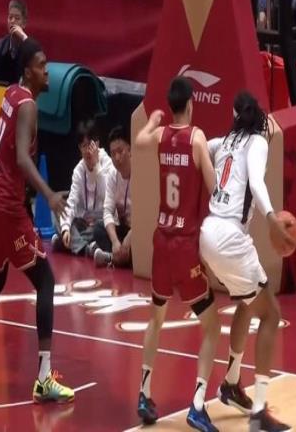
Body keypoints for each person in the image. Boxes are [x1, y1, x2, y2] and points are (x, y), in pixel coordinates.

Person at [0, 38, 74, 403]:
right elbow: (22, 158)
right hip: (6, 208)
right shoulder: (28, 108)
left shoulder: (11, 92)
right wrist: (49, 194)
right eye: (41, 65)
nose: (47, 70)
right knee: (46, 280)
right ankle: (44, 379)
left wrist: (22, 38)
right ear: (27, 71)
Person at [200, 91, 294, 432]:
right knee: (271, 315)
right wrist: (270, 218)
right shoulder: (257, 142)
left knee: (246, 301)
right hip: (229, 238)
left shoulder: (223, 142)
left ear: (234, 115)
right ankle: (259, 410)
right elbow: (256, 181)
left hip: (208, 233)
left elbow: (200, 143)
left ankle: (231, 381)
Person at [135, 77, 221, 432]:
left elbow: (139, 140)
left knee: (155, 318)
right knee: (213, 326)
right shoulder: (197, 139)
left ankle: (144, 392)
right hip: (185, 246)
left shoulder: (160, 137)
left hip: (161, 242)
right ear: (191, 104)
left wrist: (153, 121)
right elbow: (215, 189)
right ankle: (198, 404)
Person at [51, 125, 113, 256]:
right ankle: (85, 248)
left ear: (97, 144)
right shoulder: (78, 170)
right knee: (58, 207)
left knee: (101, 230)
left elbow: (108, 197)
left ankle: (66, 243)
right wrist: (66, 228)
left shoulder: (107, 162)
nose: (87, 151)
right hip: (82, 222)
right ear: (79, 148)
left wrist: (96, 166)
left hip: (101, 222)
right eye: (83, 146)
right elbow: (72, 202)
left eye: (90, 145)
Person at [94, 127, 132, 268]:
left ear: (130, 149)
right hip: (123, 228)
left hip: (138, 230)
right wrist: (115, 241)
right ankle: (117, 255)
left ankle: (110, 257)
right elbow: (107, 211)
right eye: (113, 153)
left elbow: (145, 215)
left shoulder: (141, 172)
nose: (116, 158)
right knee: (98, 229)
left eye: (120, 151)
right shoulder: (112, 174)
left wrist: (129, 239)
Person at [0, 0, 29, 83]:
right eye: (10, 17)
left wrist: (24, 38)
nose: (12, 21)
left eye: (17, 18)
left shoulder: (29, 47)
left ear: (24, 23)